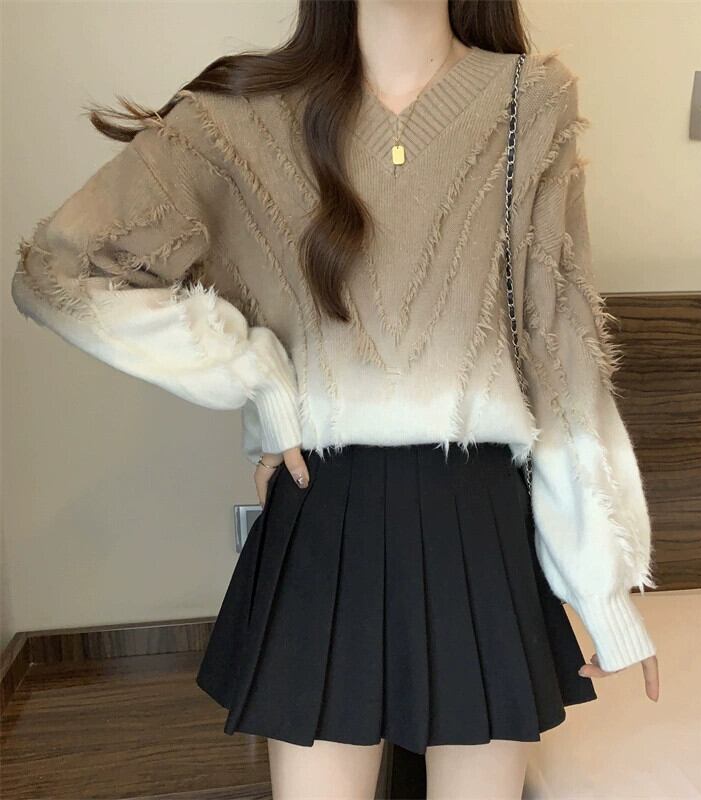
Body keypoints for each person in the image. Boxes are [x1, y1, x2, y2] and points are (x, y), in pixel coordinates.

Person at [10, 1, 660, 797]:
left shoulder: (530, 100)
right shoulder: (238, 118)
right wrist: (254, 375)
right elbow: (59, 270)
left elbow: (560, 348)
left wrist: (604, 589)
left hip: (480, 521)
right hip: (324, 513)